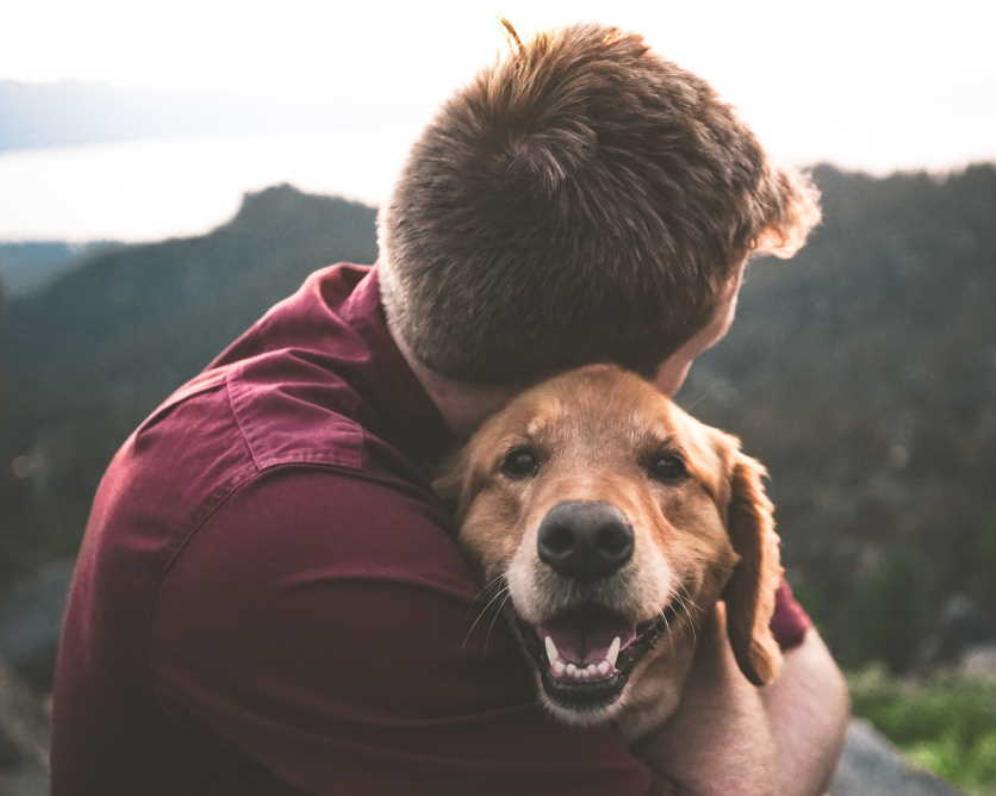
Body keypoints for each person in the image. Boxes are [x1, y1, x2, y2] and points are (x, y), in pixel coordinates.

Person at [51, 22, 849, 796]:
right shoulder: (295, 534)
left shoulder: (400, 326)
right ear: (592, 372)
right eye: (694, 353)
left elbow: (807, 668)